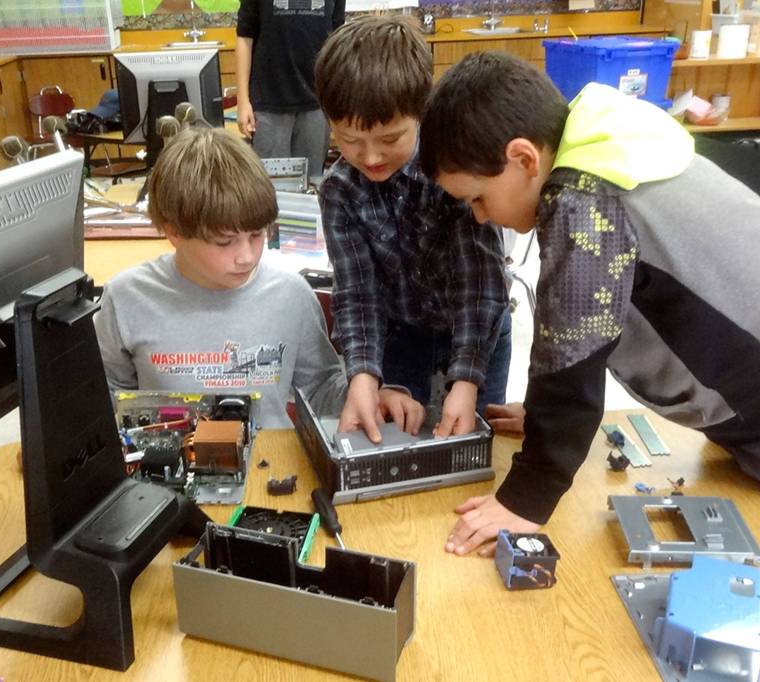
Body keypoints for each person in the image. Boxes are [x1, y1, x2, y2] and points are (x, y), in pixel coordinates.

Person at [418, 51, 760, 569]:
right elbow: (591, 321)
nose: (480, 216)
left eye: (478, 198)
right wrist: (542, 417)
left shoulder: (584, 200)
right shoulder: (599, 139)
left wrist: (526, 496)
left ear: (525, 159)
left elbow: (570, 359)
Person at [94, 126, 423, 431]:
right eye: (225, 242)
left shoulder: (291, 296)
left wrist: (376, 397)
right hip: (168, 481)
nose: (247, 256)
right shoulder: (125, 298)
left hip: (270, 471)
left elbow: (321, 389)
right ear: (174, 232)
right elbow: (108, 395)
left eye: (256, 235)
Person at [313, 16, 512, 443]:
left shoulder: (454, 173)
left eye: (389, 139)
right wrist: (363, 375)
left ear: (421, 113)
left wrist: (467, 379)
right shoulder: (339, 191)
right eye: (349, 140)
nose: (369, 157)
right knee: (393, 443)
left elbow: (481, 283)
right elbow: (357, 292)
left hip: (477, 328)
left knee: (469, 446)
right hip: (399, 337)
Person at [235, 0, 344, 186]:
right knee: (270, 188)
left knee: (312, 185)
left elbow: (338, 40)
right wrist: (243, 100)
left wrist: (337, 98)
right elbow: (245, 37)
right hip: (268, 103)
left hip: (317, 104)